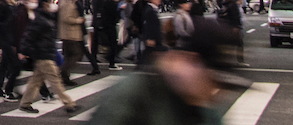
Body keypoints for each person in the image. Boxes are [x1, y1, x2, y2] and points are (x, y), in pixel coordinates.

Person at [88, 20, 244, 125]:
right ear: (192, 63)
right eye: (213, 82)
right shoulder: (133, 97)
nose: (217, 93)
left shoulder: (205, 112)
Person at [16, 0, 76, 114]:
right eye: (50, 2)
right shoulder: (40, 19)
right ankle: (68, 104)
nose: (53, 4)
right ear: (44, 3)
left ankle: (25, 103)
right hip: (43, 54)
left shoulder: (46, 16)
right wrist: (23, 50)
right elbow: (29, 36)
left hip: (45, 52)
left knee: (35, 81)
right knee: (55, 80)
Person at [58, 0, 85, 86]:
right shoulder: (68, 4)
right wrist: (78, 20)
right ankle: (63, 72)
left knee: (68, 55)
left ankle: (65, 76)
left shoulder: (64, 2)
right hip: (71, 34)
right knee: (76, 54)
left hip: (67, 34)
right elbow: (67, 18)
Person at [93, 0, 119, 70]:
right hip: (104, 24)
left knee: (97, 42)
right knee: (108, 42)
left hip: (101, 23)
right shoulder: (102, 0)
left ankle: (94, 59)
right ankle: (109, 61)